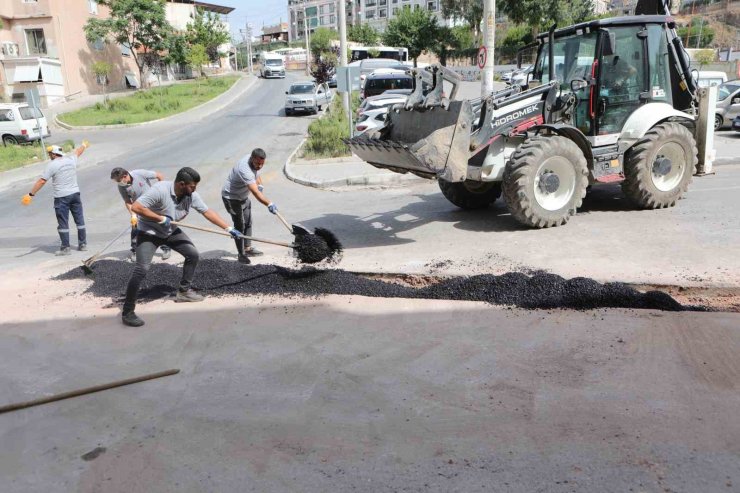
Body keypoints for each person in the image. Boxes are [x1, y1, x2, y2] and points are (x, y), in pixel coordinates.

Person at [122, 167, 241, 327]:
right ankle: (128, 312)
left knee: (192, 254)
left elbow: (207, 212)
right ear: (181, 184)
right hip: (149, 232)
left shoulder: (190, 195)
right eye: (192, 186)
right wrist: (159, 218)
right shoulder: (160, 190)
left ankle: (184, 292)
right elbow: (136, 207)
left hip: (170, 231)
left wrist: (228, 228)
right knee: (141, 269)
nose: (195, 189)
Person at [22, 141, 90, 255]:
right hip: (75, 194)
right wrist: (84, 145)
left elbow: (42, 181)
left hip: (62, 197)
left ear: (54, 154)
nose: (49, 156)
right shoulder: (71, 160)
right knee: (80, 221)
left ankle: (65, 248)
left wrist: (31, 194)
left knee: (63, 223)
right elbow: (78, 152)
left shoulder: (52, 165)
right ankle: (83, 244)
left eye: (50, 154)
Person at [221, 148, 279, 264]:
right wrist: (269, 203)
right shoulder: (244, 169)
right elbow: (256, 193)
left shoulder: (253, 161)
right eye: (258, 163)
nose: (260, 166)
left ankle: (247, 248)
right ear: (252, 159)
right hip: (231, 198)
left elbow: (256, 173)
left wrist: (260, 184)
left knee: (248, 222)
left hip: (243, 197)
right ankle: (241, 254)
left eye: (262, 164)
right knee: (239, 226)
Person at [110, 167, 171, 262]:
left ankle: (166, 248)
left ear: (125, 176)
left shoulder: (140, 174)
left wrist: (160, 190)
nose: (118, 183)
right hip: (138, 208)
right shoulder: (121, 186)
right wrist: (133, 214)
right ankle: (135, 250)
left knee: (160, 225)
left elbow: (159, 175)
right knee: (135, 227)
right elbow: (127, 201)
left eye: (119, 180)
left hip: (153, 204)